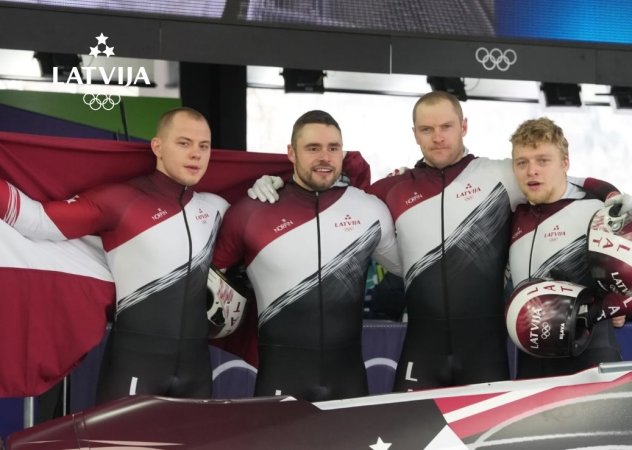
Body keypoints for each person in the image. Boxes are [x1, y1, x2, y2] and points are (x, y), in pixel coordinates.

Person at [248, 91, 627, 390]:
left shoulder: (501, 175)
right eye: (427, 129)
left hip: (485, 354)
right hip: (422, 352)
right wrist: (278, 182)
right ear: (415, 133)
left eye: (446, 126)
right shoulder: (393, 189)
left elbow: (565, 180)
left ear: (464, 126)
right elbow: (330, 191)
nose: (438, 136)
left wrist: (612, 195)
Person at [0, 107, 229, 404]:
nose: (196, 154)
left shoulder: (216, 208)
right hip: (135, 363)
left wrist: (270, 190)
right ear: (157, 147)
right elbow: (39, 221)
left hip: (196, 369)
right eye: (184, 143)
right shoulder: (120, 200)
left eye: (204, 146)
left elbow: (258, 233)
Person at [211, 110, 402, 401]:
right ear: (291, 152)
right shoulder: (250, 211)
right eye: (313, 148)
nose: (325, 157)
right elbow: (205, 280)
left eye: (333, 148)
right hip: (281, 376)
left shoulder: (370, 210)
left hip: (348, 379)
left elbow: (412, 267)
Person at [507, 117, 623, 378]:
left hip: (591, 357)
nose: (532, 170)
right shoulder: (514, 213)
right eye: (522, 162)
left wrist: (613, 309)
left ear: (565, 163)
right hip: (531, 362)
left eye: (543, 161)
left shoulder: (598, 212)